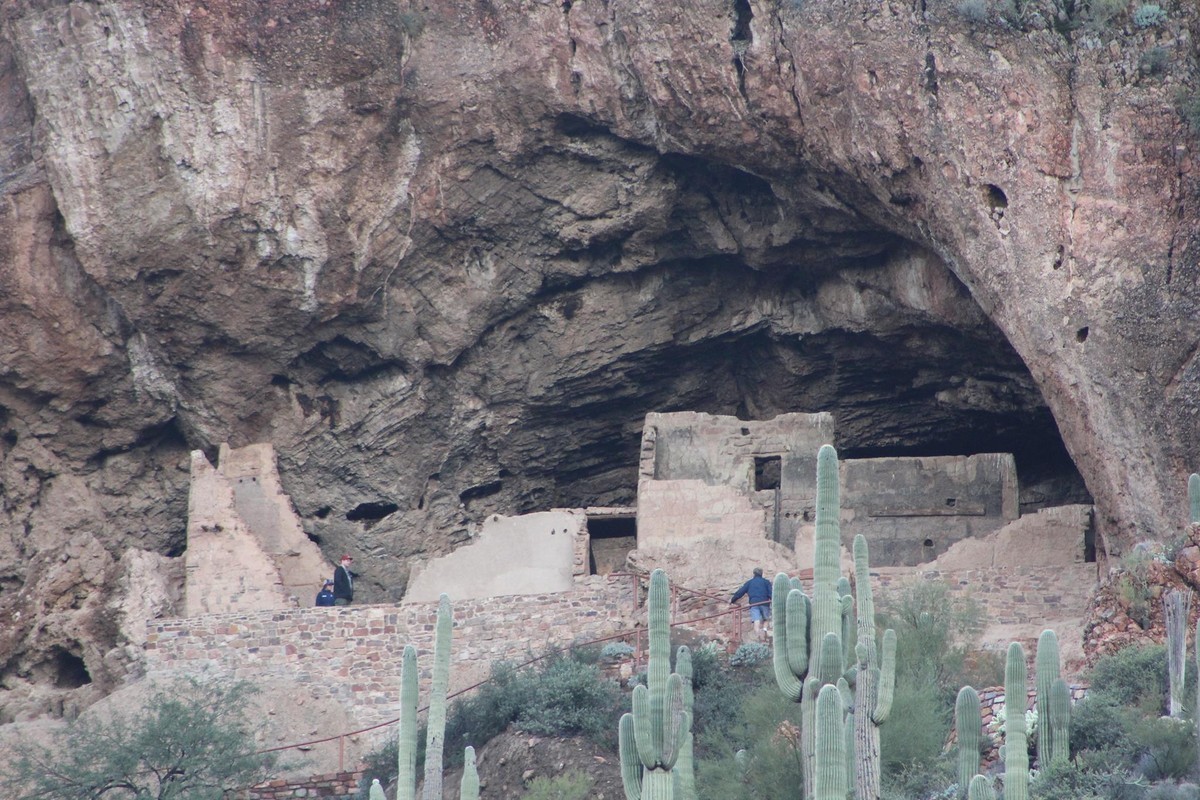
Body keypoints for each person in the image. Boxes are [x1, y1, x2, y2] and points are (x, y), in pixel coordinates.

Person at [730, 567, 772, 640]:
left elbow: (740, 592)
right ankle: (764, 630)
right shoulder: (766, 582)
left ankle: (758, 635)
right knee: (766, 618)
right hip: (765, 603)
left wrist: (733, 600)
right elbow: (770, 593)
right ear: (761, 574)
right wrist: (772, 600)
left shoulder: (749, 583)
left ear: (754, 574)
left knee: (756, 620)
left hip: (754, 604)